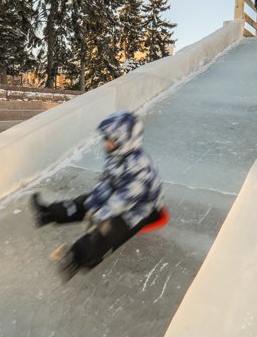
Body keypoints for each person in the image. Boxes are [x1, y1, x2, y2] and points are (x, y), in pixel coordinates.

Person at [31, 110, 165, 281]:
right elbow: (106, 184)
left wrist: (99, 214)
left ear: (126, 141)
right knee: (83, 202)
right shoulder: (116, 157)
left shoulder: (139, 164)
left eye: (112, 140)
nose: (107, 144)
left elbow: (125, 199)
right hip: (118, 196)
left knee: (107, 229)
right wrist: (92, 204)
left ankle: (77, 257)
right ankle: (49, 213)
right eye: (106, 139)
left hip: (143, 208)